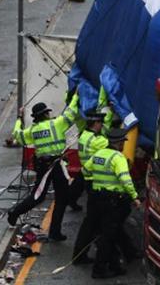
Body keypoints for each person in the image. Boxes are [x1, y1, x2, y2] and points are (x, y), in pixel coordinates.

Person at [8, 97, 80, 241]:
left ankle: (15, 212)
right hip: (58, 166)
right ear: (46, 114)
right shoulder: (57, 124)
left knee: (37, 196)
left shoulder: (33, 131)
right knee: (61, 200)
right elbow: (72, 112)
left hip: (42, 166)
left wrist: (19, 118)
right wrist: (76, 94)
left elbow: (17, 134)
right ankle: (55, 232)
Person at [83, 128, 141, 279]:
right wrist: (134, 196)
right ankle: (99, 270)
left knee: (109, 233)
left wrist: (97, 181)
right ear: (119, 142)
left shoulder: (98, 154)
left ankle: (118, 263)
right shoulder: (118, 158)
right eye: (123, 142)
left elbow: (85, 170)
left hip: (97, 200)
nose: (123, 145)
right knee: (108, 237)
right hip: (112, 202)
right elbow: (125, 179)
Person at [71, 108, 109, 265]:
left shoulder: (84, 137)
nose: (102, 126)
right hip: (97, 184)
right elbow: (112, 142)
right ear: (96, 123)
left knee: (98, 220)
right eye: (101, 123)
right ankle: (83, 254)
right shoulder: (98, 141)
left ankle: (123, 249)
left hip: (89, 181)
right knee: (95, 221)